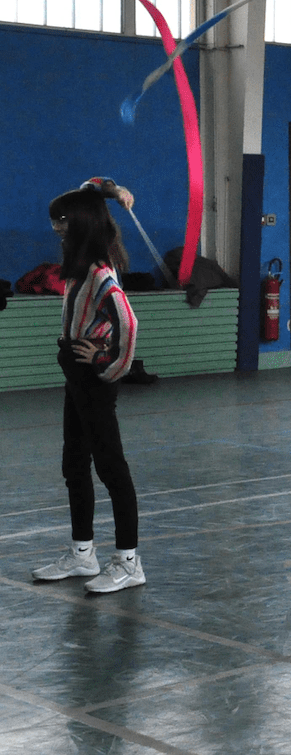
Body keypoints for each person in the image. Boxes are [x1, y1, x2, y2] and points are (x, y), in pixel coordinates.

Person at [32, 178, 145, 594]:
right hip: (75, 376)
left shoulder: (99, 272)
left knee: (111, 467)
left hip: (93, 380)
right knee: (75, 464)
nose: (56, 227)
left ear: (81, 223)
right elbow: (89, 188)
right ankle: (83, 554)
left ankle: (129, 562)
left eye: (61, 221)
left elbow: (128, 323)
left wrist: (111, 367)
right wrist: (112, 191)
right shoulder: (79, 262)